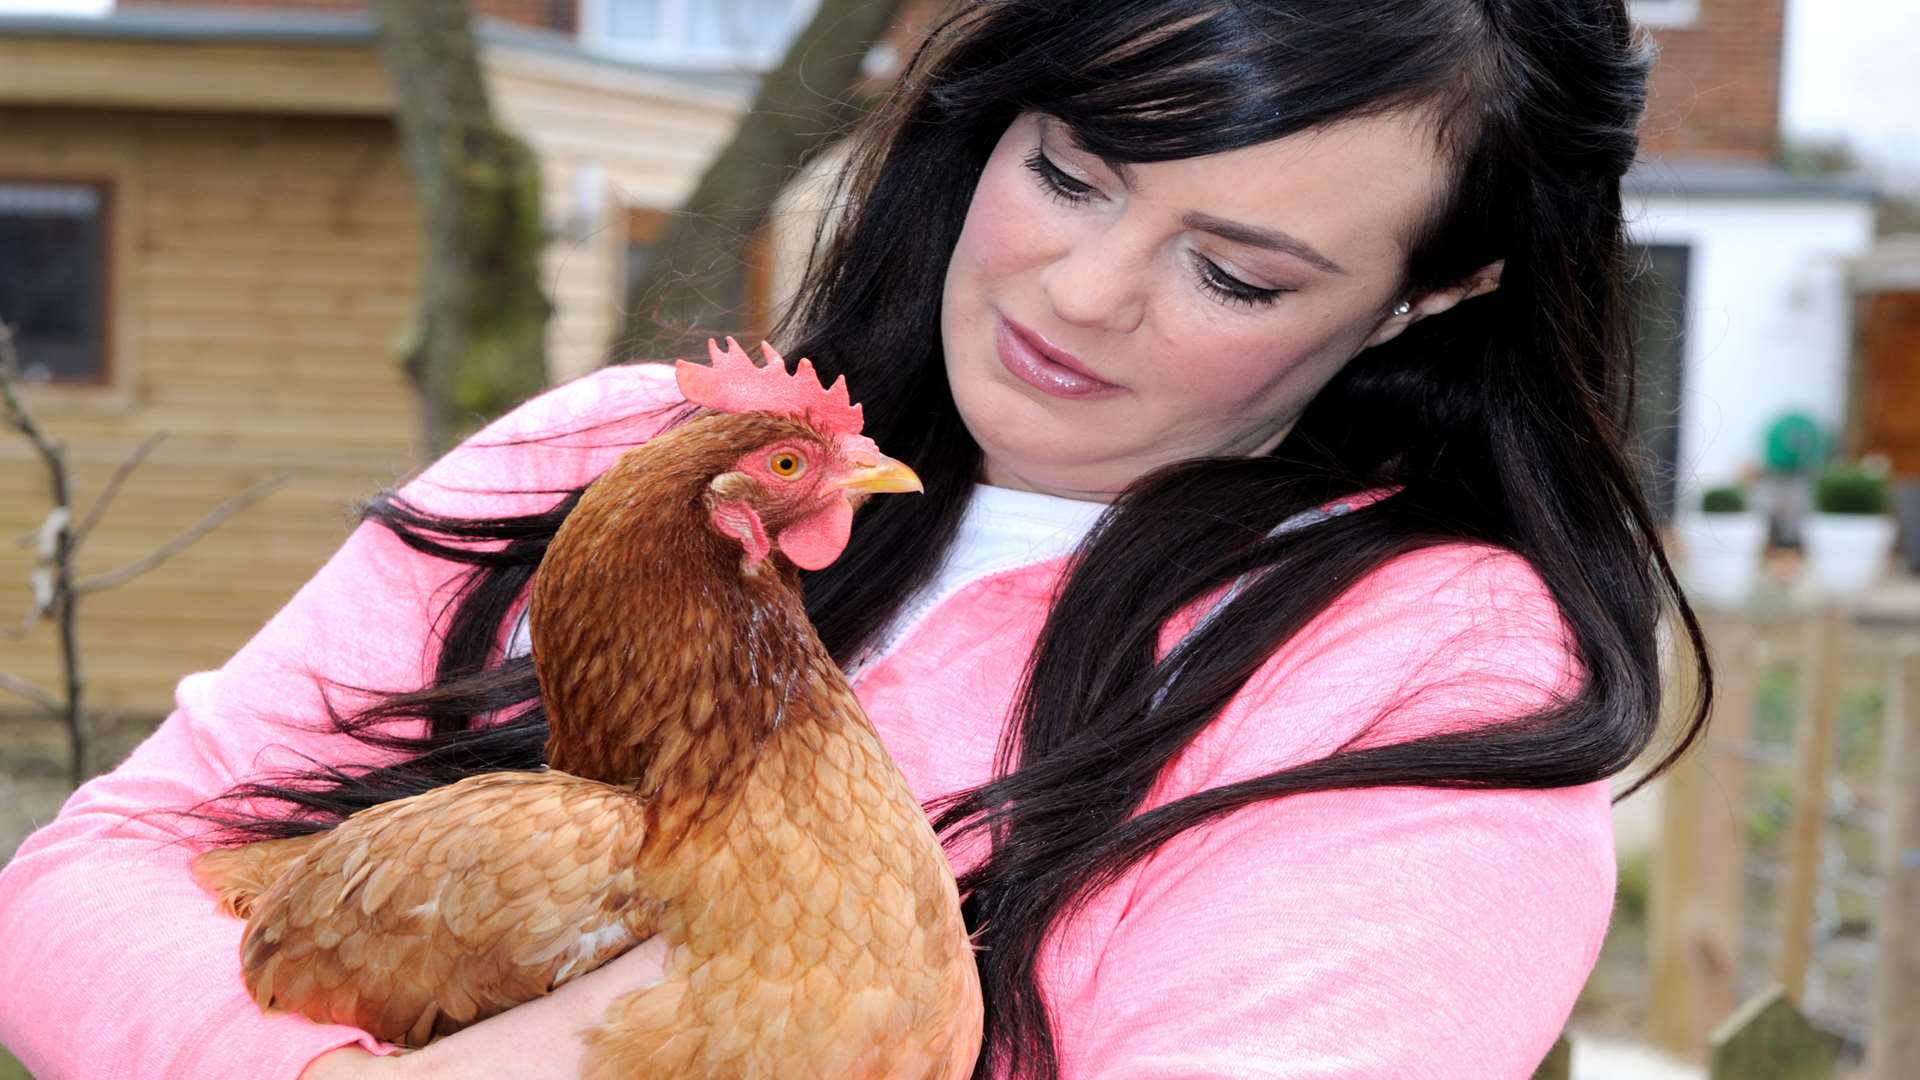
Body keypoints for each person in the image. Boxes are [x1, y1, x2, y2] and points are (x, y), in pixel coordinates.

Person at [0, 0, 1713, 1077]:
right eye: (1077, 171)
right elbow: (79, 887)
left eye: (1234, 273)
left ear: (1437, 292)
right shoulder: (624, 457)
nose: (1083, 293)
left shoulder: (1423, 676)